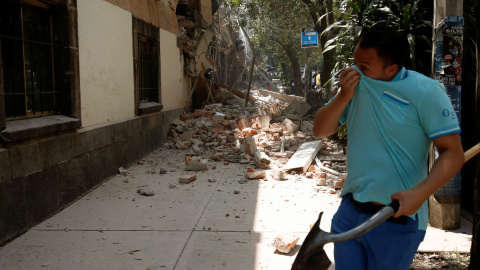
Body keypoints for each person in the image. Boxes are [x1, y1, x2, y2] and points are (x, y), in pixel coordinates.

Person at [312, 24, 464, 270]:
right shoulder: (354, 85)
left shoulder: (426, 91)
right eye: (355, 62)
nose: (354, 70)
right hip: (350, 212)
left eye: (364, 66)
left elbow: (453, 153)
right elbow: (320, 129)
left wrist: (420, 194)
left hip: (397, 218)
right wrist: (342, 95)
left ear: (391, 68)